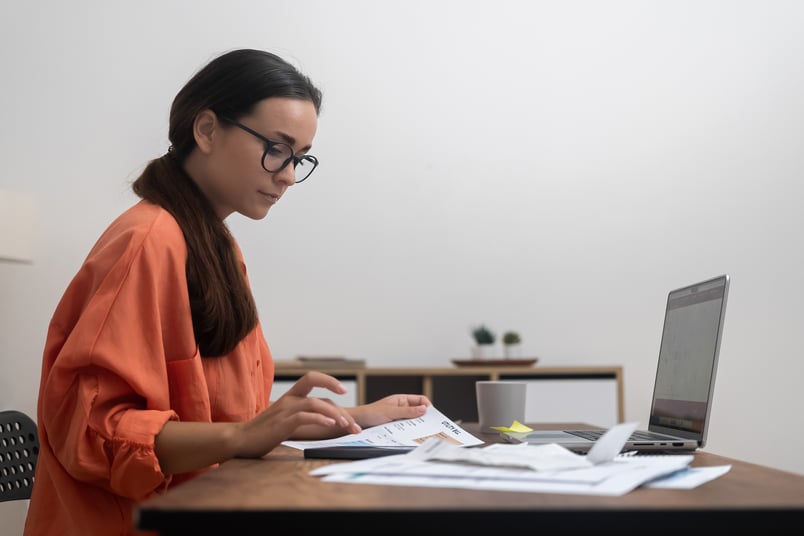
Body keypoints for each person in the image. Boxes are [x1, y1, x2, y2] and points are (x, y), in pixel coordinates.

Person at [23, 49, 431, 536]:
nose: (288, 175)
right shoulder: (147, 242)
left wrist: (353, 418)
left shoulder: (215, 247)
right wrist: (244, 435)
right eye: (277, 148)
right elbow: (93, 432)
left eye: (300, 157)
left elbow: (232, 423)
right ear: (208, 130)